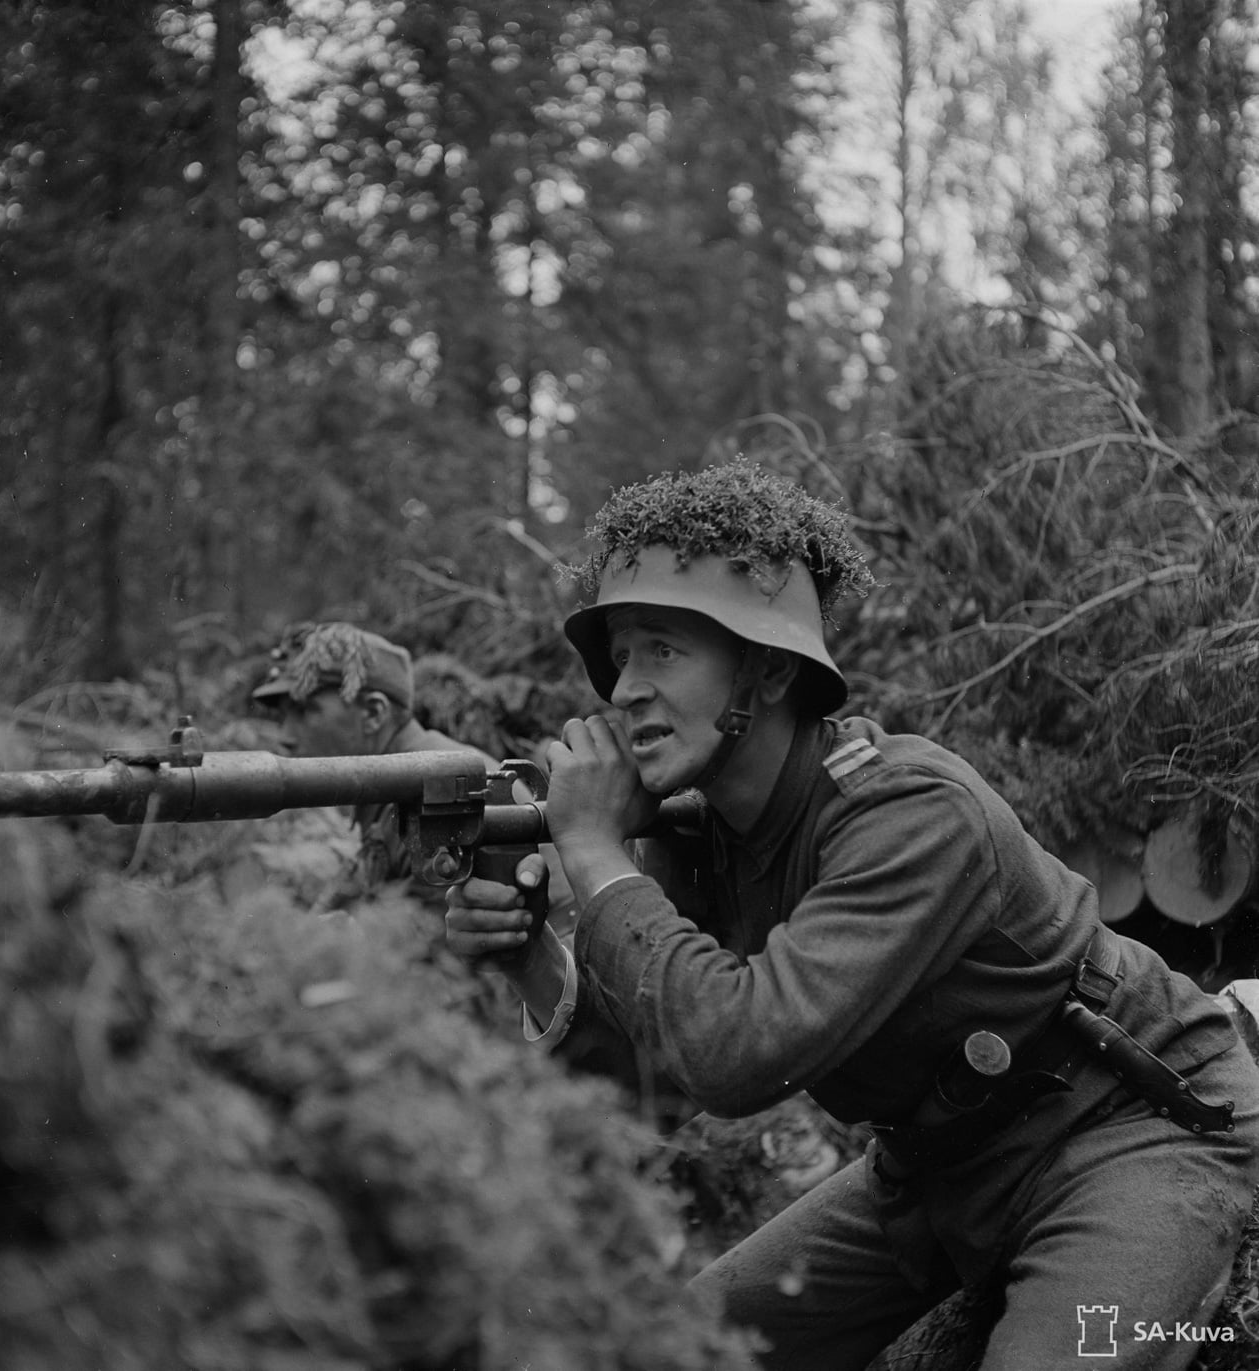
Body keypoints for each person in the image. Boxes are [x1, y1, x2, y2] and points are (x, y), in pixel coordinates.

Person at [444, 461, 1259, 1370]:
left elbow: (735, 1054)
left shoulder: (912, 811)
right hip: (933, 1168)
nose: (625, 687)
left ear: (771, 669)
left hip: (1124, 1133)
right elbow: (657, 1087)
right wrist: (532, 959)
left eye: (663, 651)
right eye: (622, 654)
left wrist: (593, 855)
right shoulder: (711, 830)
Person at [253, 622, 573, 929]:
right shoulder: (401, 779)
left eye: (305, 711)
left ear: (374, 713)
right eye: (282, 716)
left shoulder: (434, 785)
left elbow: (434, 943)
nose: (285, 736)